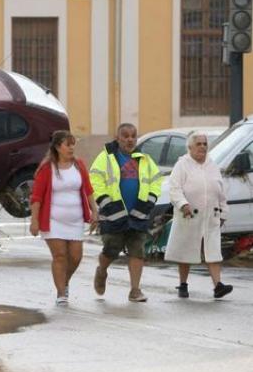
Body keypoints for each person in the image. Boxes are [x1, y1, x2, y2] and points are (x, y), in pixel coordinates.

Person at [90, 123, 162, 302]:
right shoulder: (105, 158)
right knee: (111, 251)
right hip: (113, 214)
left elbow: (156, 181)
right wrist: (106, 204)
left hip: (138, 214)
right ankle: (102, 270)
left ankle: (135, 290)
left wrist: (148, 202)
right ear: (118, 138)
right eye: (126, 136)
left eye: (133, 136)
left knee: (137, 251)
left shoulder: (144, 159)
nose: (130, 139)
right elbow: (95, 180)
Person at [30, 130, 99, 305]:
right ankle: (61, 293)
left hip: (75, 221)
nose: (71, 148)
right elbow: (36, 197)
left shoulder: (79, 165)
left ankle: (64, 281)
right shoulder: (47, 169)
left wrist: (94, 211)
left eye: (73, 144)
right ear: (57, 147)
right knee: (60, 256)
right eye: (68, 145)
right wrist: (35, 220)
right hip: (53, 221)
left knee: (76, 257)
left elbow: (88, 190)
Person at [165, 132, 232, 299]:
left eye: (205, 144)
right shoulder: (182, 165)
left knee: (213, 251)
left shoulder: (212, 165)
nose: (203, 147)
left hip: (211, 216)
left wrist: (223, 210)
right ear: (190, 147)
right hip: (189, 216)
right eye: (199, 144)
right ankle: (183, 284)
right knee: (186, 250)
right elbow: (174, 189)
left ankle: (218, 286)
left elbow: (220, 191)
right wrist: (183, 204)